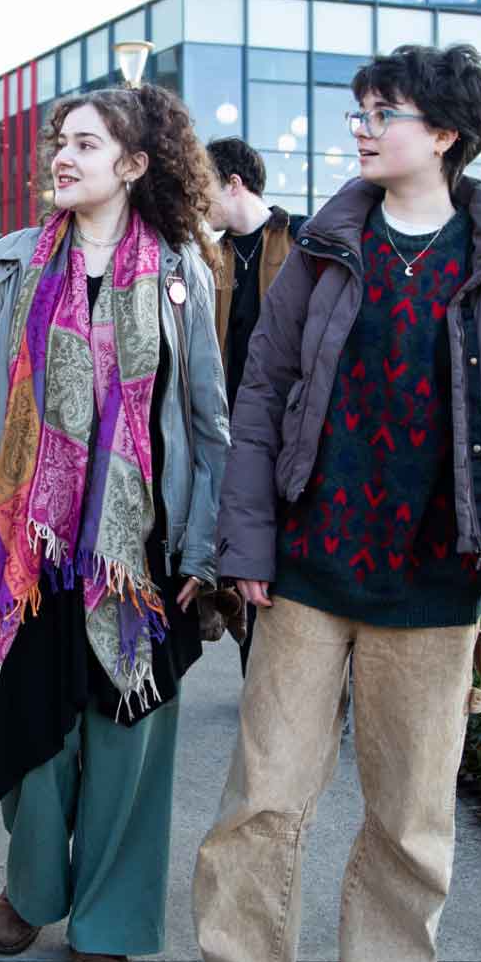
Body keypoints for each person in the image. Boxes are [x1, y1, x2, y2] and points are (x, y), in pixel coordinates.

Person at [193, 44, 481, 962]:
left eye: (382, 113)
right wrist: (244, 549)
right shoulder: (324, 250)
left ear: (444, 134)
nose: (360, 128)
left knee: (410, 826)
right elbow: (261, 395)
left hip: (437, 590)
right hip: (306, 581)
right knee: (261, 806)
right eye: (359, 111)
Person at [0, 84, 228, 962]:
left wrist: (203, 553)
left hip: (139, 559)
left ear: (134, 165)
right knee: (34, 744)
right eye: (61, 141)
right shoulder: (7, 264)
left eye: (87, 145)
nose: (63, 155)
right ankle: (32, 888)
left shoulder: (182, 271)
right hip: (23, 554)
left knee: (128, 744)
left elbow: (210, 428)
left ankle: (110, 920)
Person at [201, 136, 303, 671]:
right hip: (229, 427)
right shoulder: (206, 259)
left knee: (284, 550)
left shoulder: (302, 239)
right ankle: (255, 671)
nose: (199, 201)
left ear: (234, 183)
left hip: (289, 427)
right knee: (240, 551)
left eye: (205, 187)